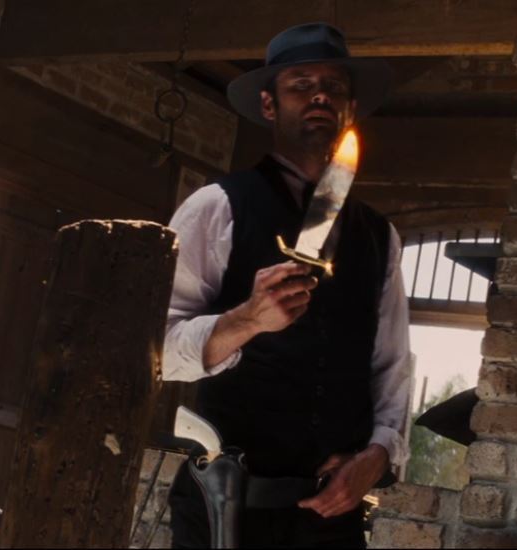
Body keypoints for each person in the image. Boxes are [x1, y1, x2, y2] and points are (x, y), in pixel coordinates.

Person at [162, 22, 412, 549]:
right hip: (224, 513)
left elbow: (391, 367)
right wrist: (244, 321)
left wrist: (378, 456)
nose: (321, 95)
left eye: (334, 87)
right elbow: (156, 351)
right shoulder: (217, 208)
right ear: (269, 105)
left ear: (349, 108)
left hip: (331, 519)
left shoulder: (378, 236)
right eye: (301, 84)